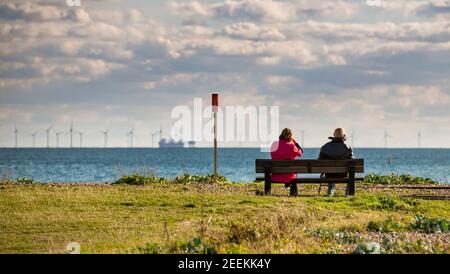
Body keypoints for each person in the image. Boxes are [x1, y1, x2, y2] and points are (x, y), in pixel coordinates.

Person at [318, 128, 354, 196]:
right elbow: (352, 162)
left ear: (334, 135)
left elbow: (319, 162)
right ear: (344, 136)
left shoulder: (325, 147)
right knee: (350, 174)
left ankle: (330, 193)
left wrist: (322, 172)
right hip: (343, 174)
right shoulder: (348, 148)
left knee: (331, 173)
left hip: (329, 174)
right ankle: (348, 193)